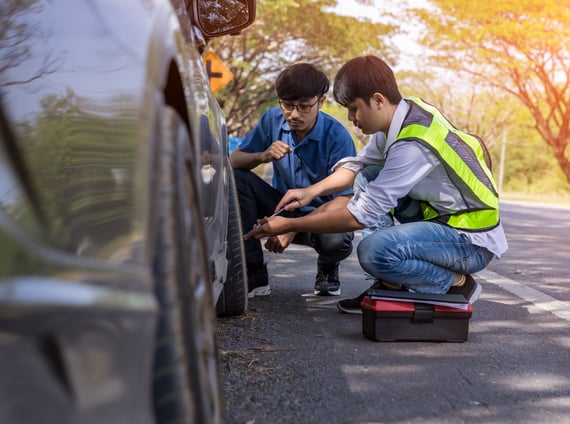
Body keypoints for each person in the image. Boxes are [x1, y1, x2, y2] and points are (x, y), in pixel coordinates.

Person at [244, 55, 508, 314]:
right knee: (368, 173)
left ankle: (455, 284)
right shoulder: (403, 114)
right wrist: (311, 191)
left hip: (470, 241)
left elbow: (360, 216)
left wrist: (290, 224)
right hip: (443, 221)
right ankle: (388, 285)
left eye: (354, 109)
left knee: (374, 252)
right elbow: (357, 166)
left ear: (378, 100)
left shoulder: (412, 144)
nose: (350, 117)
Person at [231, 62, 357, 298]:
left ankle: (328, 269)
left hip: (323, 216)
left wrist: (291, 227)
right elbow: (234, 160)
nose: (294, 114)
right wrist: (263, 155)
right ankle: (254, 273)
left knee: (336, 241)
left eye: (304, 106)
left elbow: (347, 199)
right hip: (283, 207)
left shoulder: (337, 136)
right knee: (238, 180)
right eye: (287, 105)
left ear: (321, 101)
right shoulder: (272, 119)